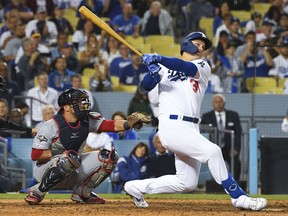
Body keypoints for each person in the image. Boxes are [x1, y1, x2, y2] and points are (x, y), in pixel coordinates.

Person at [124, 31, 267, 211]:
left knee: (187, 183)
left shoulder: (202, 65)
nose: (201, 48)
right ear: (186, 43)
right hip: (171, 126)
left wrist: (158, 58)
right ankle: (238, 197)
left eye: (203, 46)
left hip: (191, 127)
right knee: (213, 152)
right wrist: (153, 73)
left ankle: (135, 187)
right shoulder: (164, 68)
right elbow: (144, 88)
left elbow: (185, 68)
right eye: (198, 43)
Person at [24, 87, 151, 205]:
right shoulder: (50, 125)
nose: (83, 104)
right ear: (66, 107)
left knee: (110, 157)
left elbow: (110, 125)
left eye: (83, 101)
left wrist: (129, 123)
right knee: (69, 157)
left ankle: (83, 193)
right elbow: (36, 155)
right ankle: (38, 192)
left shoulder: (86, 119)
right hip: (45, 170)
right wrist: (63, 153)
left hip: (74, 165)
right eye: (78, 102)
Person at [201, 94, 242, 180]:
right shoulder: (206, 116)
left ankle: (235, 185)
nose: (218, 104)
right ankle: (215, 185)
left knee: (236, 164)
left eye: (220, 102)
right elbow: (202, 133)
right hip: (213, 148)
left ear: (224, 103)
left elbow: (238, 133)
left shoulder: (233, 115)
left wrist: (236, 149)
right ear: (213, 103)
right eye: (216, 102)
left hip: (229, 149)